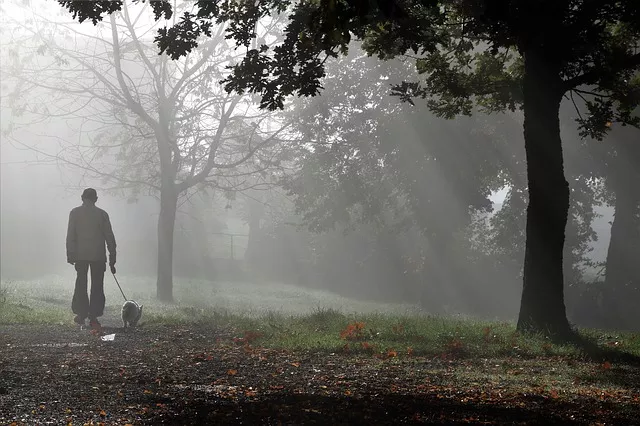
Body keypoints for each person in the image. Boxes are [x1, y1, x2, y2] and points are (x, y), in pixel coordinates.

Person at [66, 188, 117, 329]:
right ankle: (94, 315)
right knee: (97, 285)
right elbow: (109, 237)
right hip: (98, 256)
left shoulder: (75, 213)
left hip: (80, 256)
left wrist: (70, 254)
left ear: (82, 198)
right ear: (96, 199)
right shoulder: (102, 214)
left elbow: (71, 235)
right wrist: (112, 257)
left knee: (81, 283)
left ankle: (81, 314)